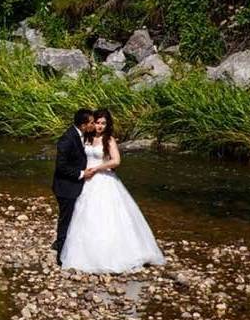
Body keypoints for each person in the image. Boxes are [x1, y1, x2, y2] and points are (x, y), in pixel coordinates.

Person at [59, 109, 165, 273]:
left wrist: (98, 168)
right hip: (86, 180)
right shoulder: (86, 137)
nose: (99, 126)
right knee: (84, 214)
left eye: (103, 123)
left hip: (103, 179)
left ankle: (116, 254)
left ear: (107, 125)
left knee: (109, 215)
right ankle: (85, 252)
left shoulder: (109, 140)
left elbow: (116, 161)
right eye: (97, 122)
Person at [51, 108, 98, 265]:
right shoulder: (67, 139)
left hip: (72, 186)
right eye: (91, 122)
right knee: (66, 220)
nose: (93, 125)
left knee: (72, 219)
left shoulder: (79, 135)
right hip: (66, 188)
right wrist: (81, 173)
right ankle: (61, 256)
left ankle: (65, 247)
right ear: (84, 125)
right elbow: (61, 167)